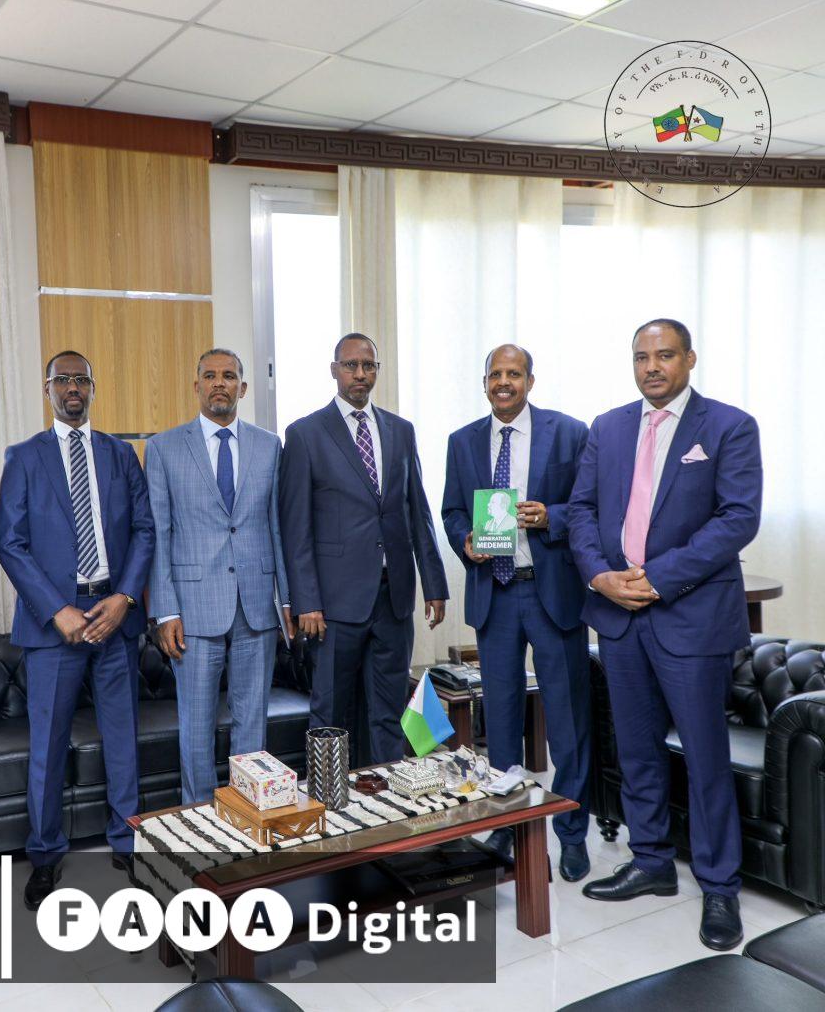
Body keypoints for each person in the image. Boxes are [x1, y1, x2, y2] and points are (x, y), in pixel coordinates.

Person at [568, 319, 762, 951]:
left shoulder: (729, 426)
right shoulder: (608, 427)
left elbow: (738, 518)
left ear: (689, 359)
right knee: (636, 750)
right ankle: (651, 860)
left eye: (665, 355)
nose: (652, 367)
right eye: (641, 357)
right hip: (618, 615)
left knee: (705, 757)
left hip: (691, 616)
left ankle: (720, 885)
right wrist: (599, 576)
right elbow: (582, 511)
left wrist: (656, 578)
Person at [0, 350, 154, 910]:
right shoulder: (24, 457)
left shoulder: (120, 454)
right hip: (54, 626)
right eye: (61, 379)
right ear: (47, 389)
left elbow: (144, 529)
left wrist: (124, 598)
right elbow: (10, 543)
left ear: (92, 387)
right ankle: (44, 854)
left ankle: (127, 842)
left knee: (122, 737)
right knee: (48, 744)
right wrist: (55, 610)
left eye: (80, 380)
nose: (71, 388)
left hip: (114, 616)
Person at [442, 344, 592, 881]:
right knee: (501, 721)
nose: (504, 382)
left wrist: (552, 516)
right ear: (484, 382)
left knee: (567, 722)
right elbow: (452, 510)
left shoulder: (569, 432)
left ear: (530, 380)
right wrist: (465, 540)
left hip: (553, 593)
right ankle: (506, 824)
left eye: (514, 374)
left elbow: (591, 505)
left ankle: (571, 834)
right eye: (495, 374)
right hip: (496, 594)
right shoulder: (462, 441)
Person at [279, 333, 448, 766]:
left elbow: (418, 511)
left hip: (393, 598)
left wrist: (434, 584)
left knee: (390, 712)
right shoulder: (305, 434)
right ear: (334, 370)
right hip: (334, 605)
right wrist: (306, 601)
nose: (360, 374)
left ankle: (387, 797)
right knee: (329, 714)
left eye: (368, 366)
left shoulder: (400, 431)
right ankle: (326, 801)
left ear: (376, 371)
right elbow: (295, 528)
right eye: (351, 365)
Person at [145, 349, 292, 804]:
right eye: (209, 376)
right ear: (197, 386)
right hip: (191, 610)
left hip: (256, 606)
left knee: (253, 725)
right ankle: (199, 820)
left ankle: (249, 816)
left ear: (242, 388)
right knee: (196, 726)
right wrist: (164, 610)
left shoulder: (269, 445)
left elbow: (276, 527)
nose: (219, 383)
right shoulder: (164, 448)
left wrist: (286, 600)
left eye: (229, 376)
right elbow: (159, 533)